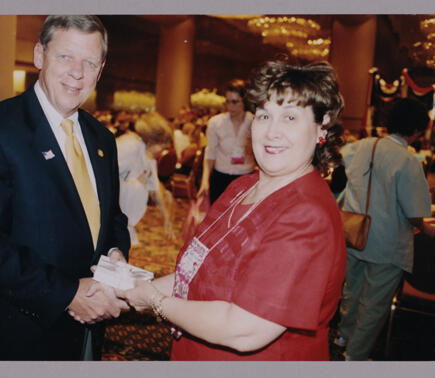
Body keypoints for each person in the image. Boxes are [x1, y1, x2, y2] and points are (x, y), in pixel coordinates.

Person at [117, 61, 346, 360]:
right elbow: (191, 273)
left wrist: (154, 301)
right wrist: (125, 290)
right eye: (264, 115)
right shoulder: (241, 188)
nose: (272, 131)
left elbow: (245, 329)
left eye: (290, 117)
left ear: (322, 127)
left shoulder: (307, 214)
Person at [0, 15, 130, 360]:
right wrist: (64, 294)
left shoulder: (102, 137)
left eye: (90, 62)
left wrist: (115, 254)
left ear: (101, 68)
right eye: (65, 57)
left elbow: (112, 219)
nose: (77, 72)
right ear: (39, 56)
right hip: (21, 332)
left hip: (89, 330)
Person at [334, 97, 435, 361]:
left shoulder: (360, 146)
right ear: (416, 129)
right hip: (387, 241)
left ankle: (342, 337)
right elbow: (415, 212)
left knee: (351, 289)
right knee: (374, 303)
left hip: (354, 232)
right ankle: (354, 357)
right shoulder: (409, 160)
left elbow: (339, 172)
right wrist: (427, 229)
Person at [116, 112, 176, 245]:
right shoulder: (129, 147)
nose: (162, 152)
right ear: (152, 140)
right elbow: (102, 177)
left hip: (122, 218)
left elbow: (154, 188)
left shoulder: (148, 155)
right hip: (109, 216)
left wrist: (167, 219)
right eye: (162, 146)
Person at [198, 79, 256, 204]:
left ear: (244, 101)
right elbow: (210, 154)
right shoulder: (215, 122)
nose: (230, 106)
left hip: (245, 177)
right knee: (217, 219)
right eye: (228, 102)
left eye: (235, 102)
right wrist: (204, 181)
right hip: (220, 178)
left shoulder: (254, 122)